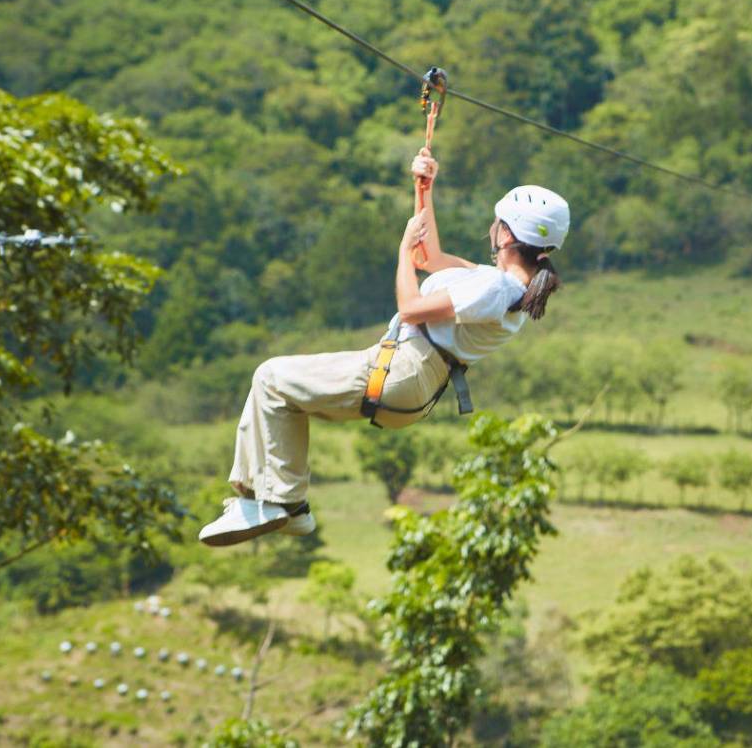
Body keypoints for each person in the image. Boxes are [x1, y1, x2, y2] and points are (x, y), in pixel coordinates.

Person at [198, 147, 570, 546]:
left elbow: (410, 308)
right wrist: (424, 188)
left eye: (497, 223)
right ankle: (290, 507)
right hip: (409, 377)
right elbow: (430, 257)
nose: (491, 228)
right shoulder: (497, 282)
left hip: (403, 369)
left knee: (271, 378)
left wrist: (400, 253)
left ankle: (275, 502)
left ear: (509, 234)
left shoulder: (495, 289)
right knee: (285, 391)